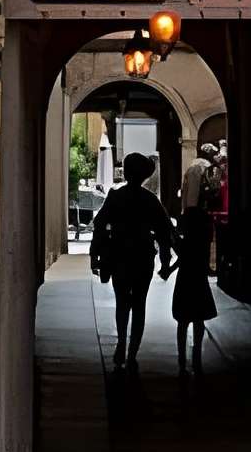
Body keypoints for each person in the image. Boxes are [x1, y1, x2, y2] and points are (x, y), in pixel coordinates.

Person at [87, 151, 176, 367]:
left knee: (122, 302)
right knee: (139, 304)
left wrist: (94, 254)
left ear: (126, 172)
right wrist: (165, 261)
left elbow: (99, 225)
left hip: (118, 255)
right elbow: (165, 232)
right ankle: (133, 351)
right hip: (143, 256)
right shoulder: (150, 200)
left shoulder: (116, 197)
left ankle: (121, 343)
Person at [169, 175, 219, 372]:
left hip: (185, 280)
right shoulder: (202, 240)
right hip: (198, 280)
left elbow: (181, 258)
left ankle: (182, 355)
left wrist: (168, 269)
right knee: (199, 319)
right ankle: (196, 352)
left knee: (183, 321)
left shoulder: (187, 241)